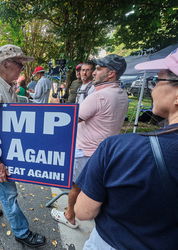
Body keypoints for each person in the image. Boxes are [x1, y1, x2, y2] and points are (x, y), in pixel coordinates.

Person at [74, 49, 178, 249]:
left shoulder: (119, 148)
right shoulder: (121, 94)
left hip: (91, 152)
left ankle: (66, 212)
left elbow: (84, 212)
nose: (153, 89)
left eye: (157, 81)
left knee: (76, 189)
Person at [0, 44, 46, 248]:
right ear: (6, 64)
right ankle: (21, 231)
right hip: (0, 152)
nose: (23, 69)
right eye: (20, 64)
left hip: (5, 148)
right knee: (7, 190)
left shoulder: (7, 87)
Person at [51, 54, 129, 229]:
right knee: (96, 188)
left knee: (75, 187)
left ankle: (70, 215)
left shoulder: (98, 97)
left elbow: (69, 121)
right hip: (106, 151)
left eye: (99, 69)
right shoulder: (122, 94)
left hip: (85, 151)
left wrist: (56, 104)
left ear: (111, 74)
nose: (94, 72)